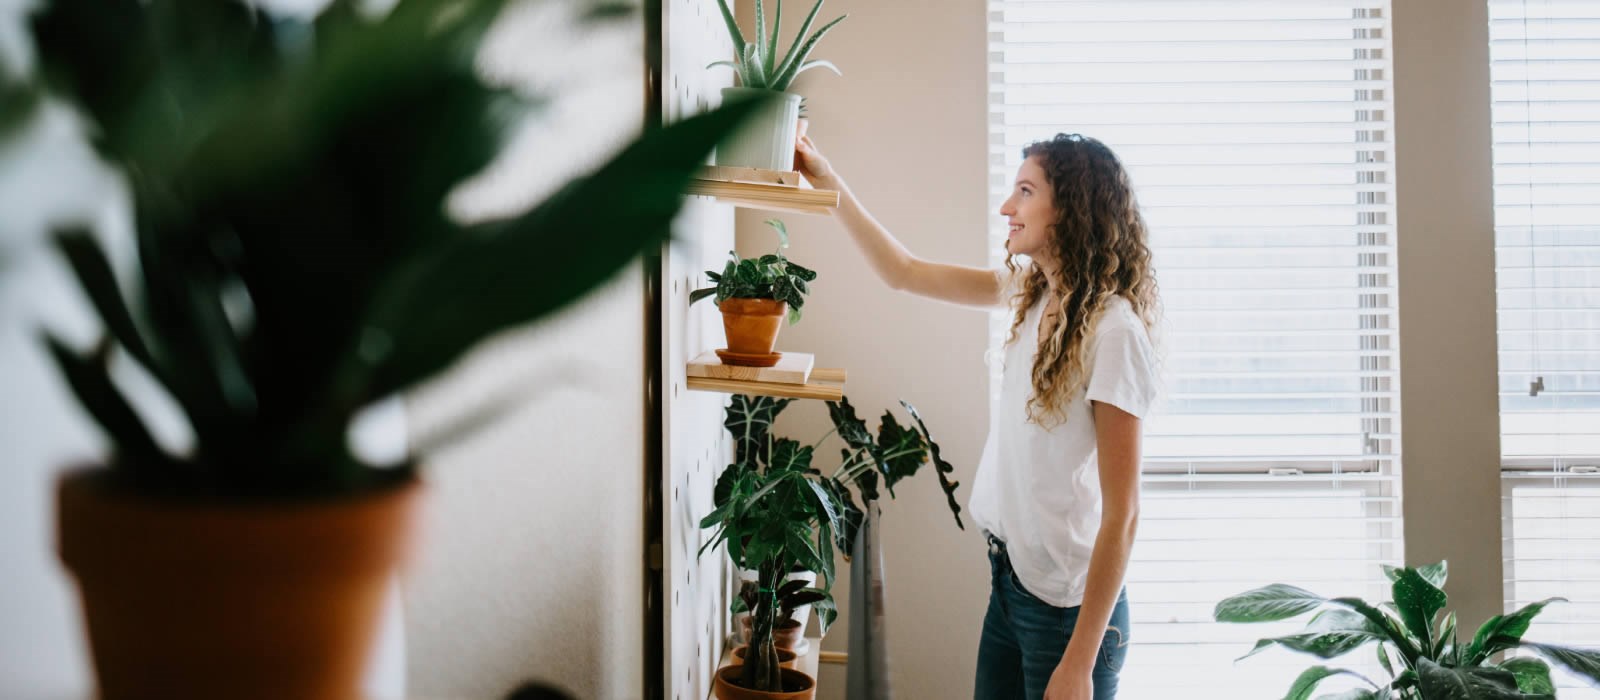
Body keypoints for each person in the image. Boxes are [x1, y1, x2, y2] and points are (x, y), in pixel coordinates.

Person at [793, 132, 1160, 700]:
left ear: (1071, 209)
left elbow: (1124, 515)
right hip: (1010, 584)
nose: (1006, 207)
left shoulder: (1115, 333)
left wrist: (1081, 662)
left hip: (1069, 616)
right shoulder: (1032, 294)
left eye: (1024, 191)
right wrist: (827, 179)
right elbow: (904, 272)